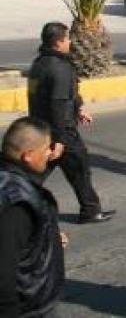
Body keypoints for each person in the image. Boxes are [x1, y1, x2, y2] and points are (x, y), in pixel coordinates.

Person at [27, 22, 114, 223]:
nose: (70, 42)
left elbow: (66, 94)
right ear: (58, 42)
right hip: (61, 131)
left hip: (40, 128)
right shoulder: (60, 67)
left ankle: (91, 209)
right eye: (67, 38)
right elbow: (58, 103)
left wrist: (79, 108)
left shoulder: (38, 64)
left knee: (38, 172)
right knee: (80, 168)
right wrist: (59, 139)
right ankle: (91, 211)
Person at [0, 117, 66, 317]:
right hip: (28, 308)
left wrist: (50, 236)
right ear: (28, 155)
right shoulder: (18, 203)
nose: (50, 152)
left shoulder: (8, 177)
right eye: (47, 147)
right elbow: (3, 273)